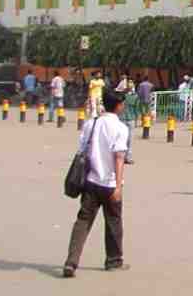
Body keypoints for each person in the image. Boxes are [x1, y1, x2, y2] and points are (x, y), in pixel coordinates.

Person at [62, 89, 130, 277]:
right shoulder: (121, 128)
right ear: (118, 106)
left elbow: (82, 149)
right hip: (108, 183)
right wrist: (118, 185)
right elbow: (119, 157)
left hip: (90, 181)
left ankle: (71, 261)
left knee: (83, 221)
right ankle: (114, 260)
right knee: (114, 222)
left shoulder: (91, 124)